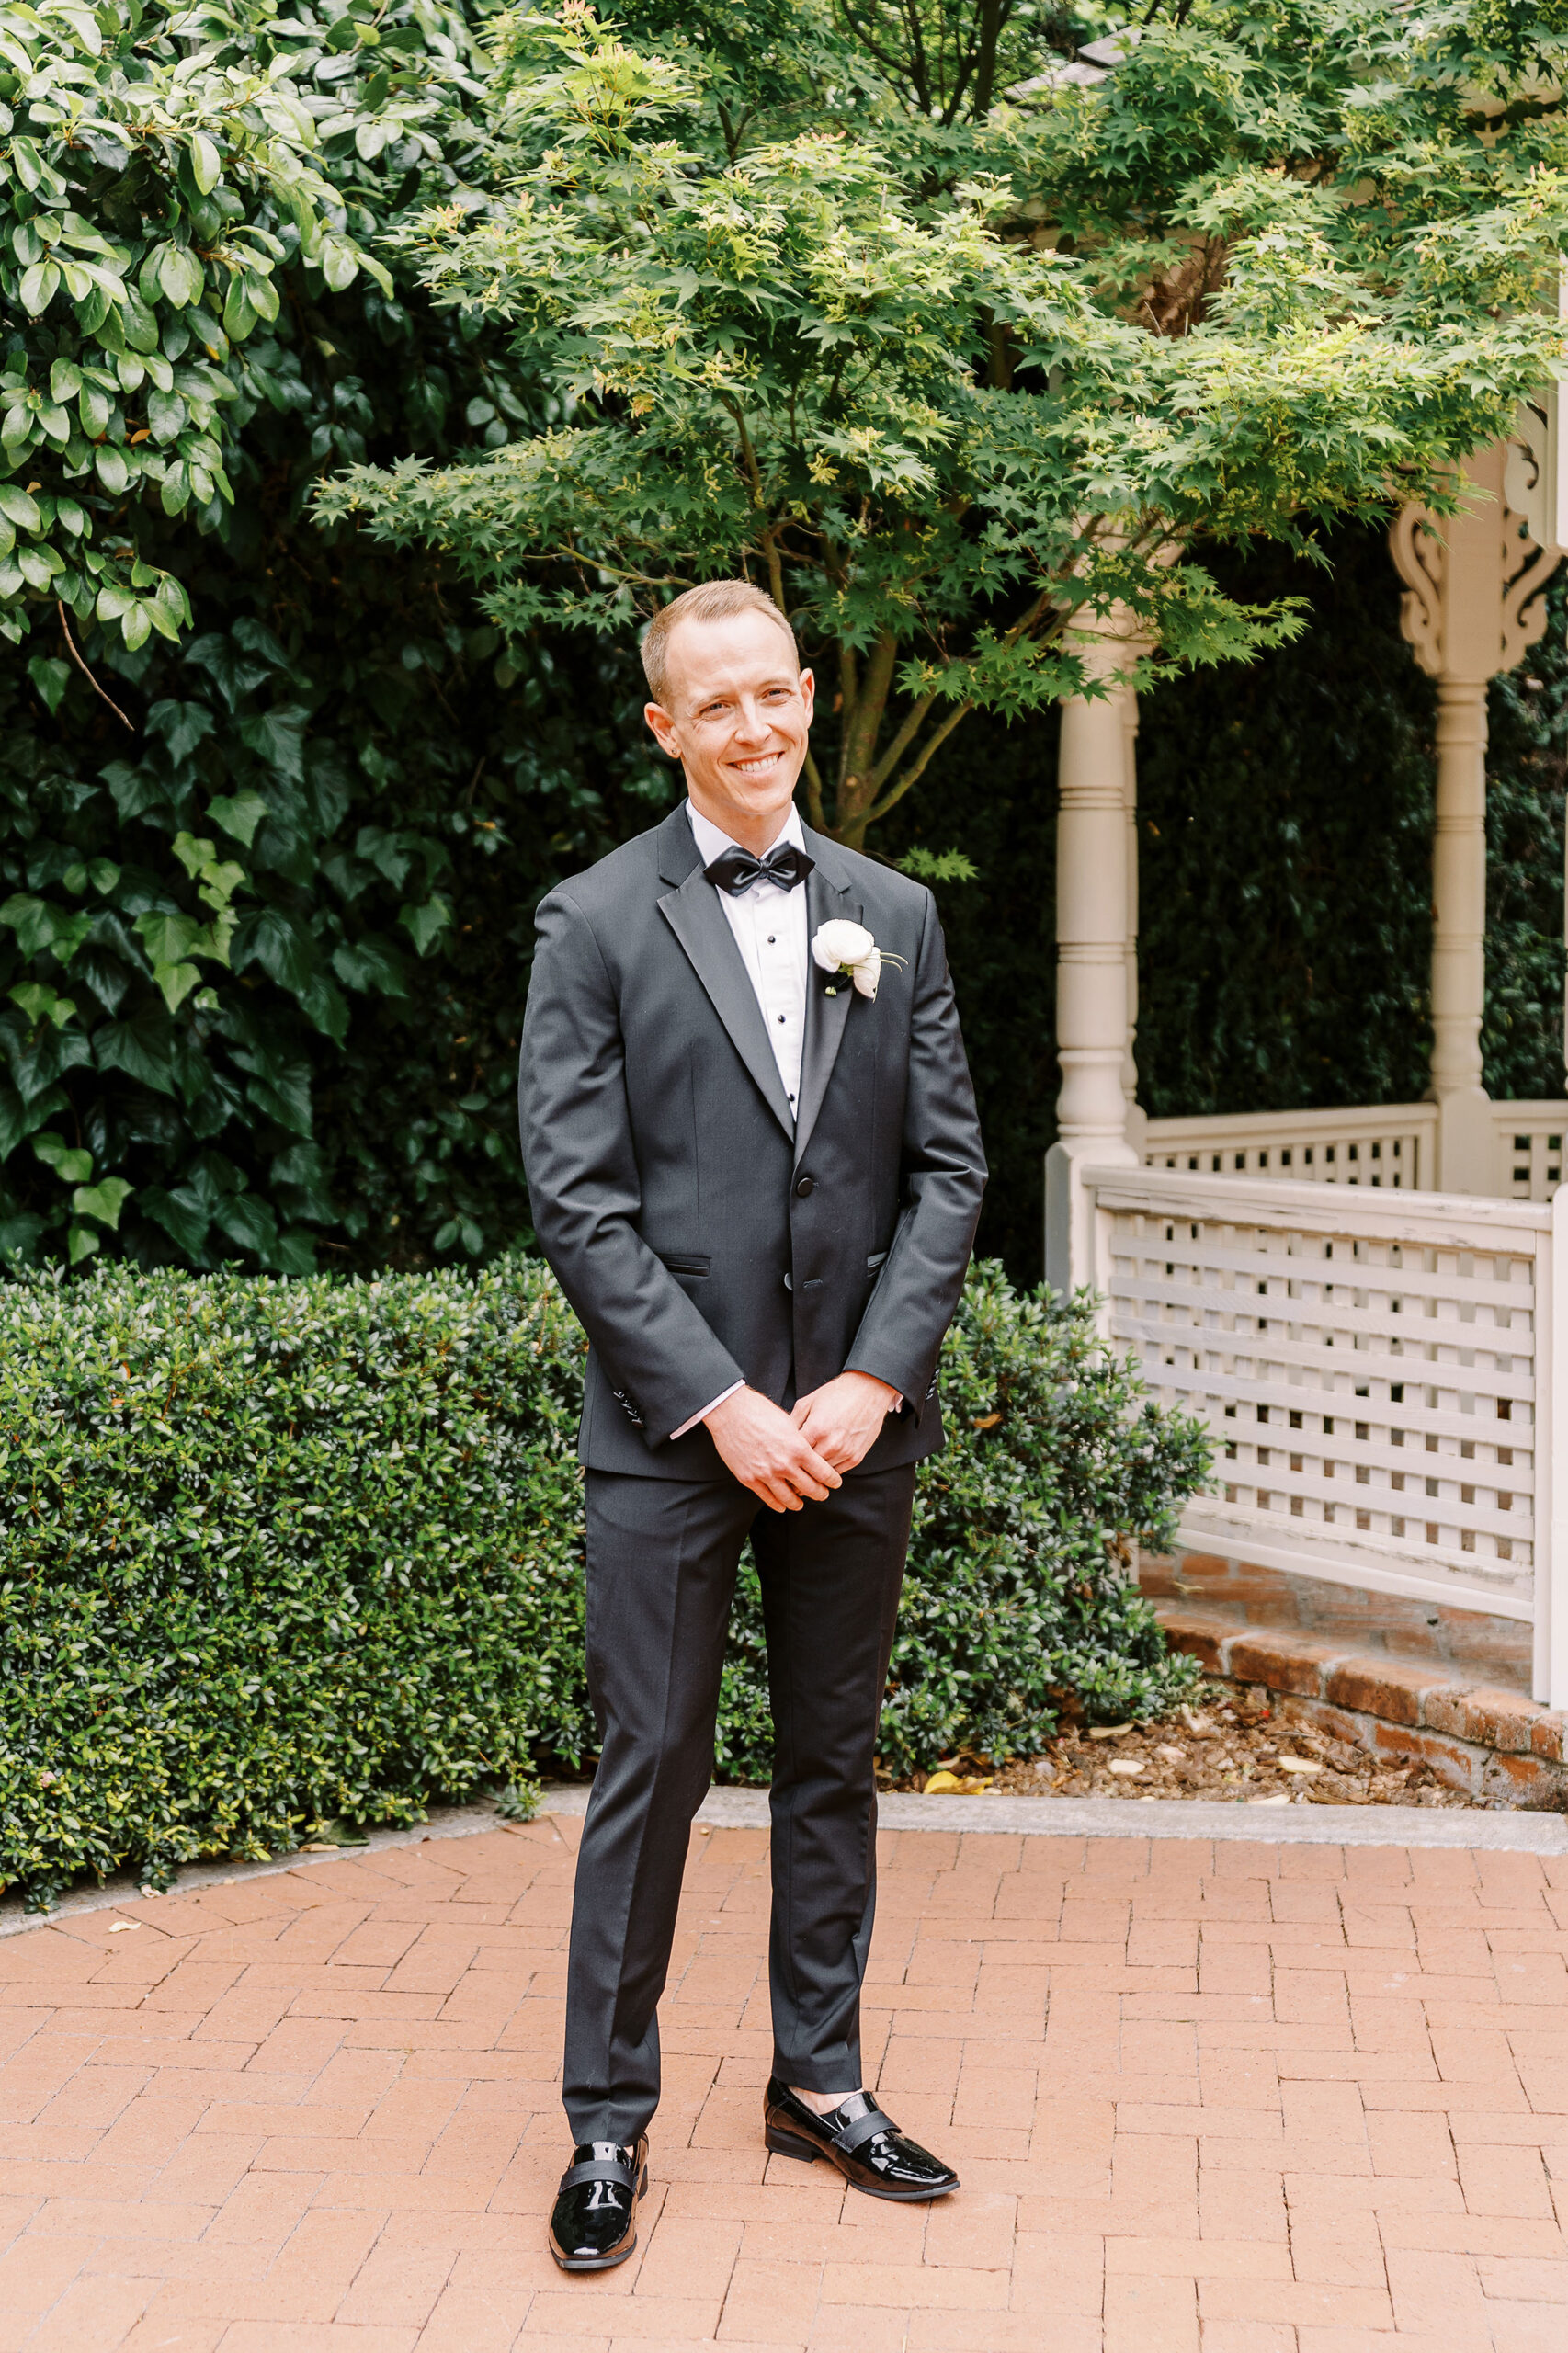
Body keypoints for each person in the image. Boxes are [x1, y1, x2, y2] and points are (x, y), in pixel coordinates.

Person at [519, 579, 987, 2272]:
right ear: (665, 726)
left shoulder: (897, 915)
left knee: (830, 1765)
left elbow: (948, 1170)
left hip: (854, 1429)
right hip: (672, 1436)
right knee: (648, 1768)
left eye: (773, 695)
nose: (753, 726)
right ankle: (604, 2124)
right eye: (712, 705)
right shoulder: (590, 922)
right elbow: (577, 1205)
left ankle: (821, 2080)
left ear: (805, 698)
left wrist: (867, 1382)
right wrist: (722, 1405)